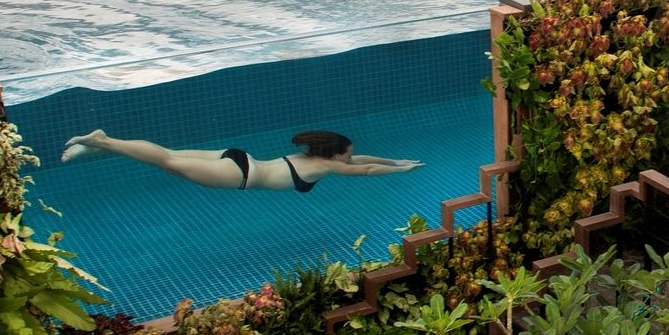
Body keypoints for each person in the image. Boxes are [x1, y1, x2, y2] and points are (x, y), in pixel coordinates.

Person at [60, 128, 420, 193]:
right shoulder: (328, 166)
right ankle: (102, 140)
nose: (350, 158)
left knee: (167, 154)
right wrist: (400, 169)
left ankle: (99, 146)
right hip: (239, 175)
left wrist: (395, 157)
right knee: (166, 160)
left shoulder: (316, 157)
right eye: (348, 154)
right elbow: (367, 168)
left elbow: (364, 158)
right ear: (337, 155)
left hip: (237, 157)